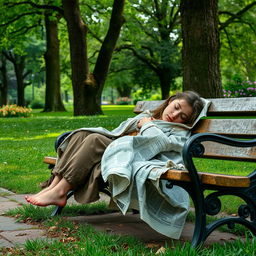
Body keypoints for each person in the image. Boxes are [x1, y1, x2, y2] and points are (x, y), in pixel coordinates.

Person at [26, 91, 206, 210]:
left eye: (182, 116)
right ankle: (54, 185)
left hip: (129, 154)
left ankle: (60, 192)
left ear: (186, 122)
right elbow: (120, 131)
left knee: (94, 140)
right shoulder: (149, 116)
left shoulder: (178, 131)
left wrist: (148, 125)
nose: (174, 115)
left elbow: (159, 143)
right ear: (171, 101)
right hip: (119, 146)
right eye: (176, 108)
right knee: (81, 134)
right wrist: (141, 122)